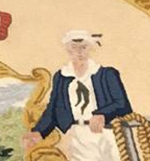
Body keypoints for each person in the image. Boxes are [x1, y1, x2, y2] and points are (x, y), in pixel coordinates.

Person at [23, 30, 131, 161]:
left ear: (90, 48)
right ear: (68, 50)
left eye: (83, 47)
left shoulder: (106, 74)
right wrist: (39, 131)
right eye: (74, 48)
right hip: (78, 135)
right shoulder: (62, 77)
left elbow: (122, 104)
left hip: (108, 132)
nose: (79, 52)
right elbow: (54, 108)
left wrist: (102, 114)